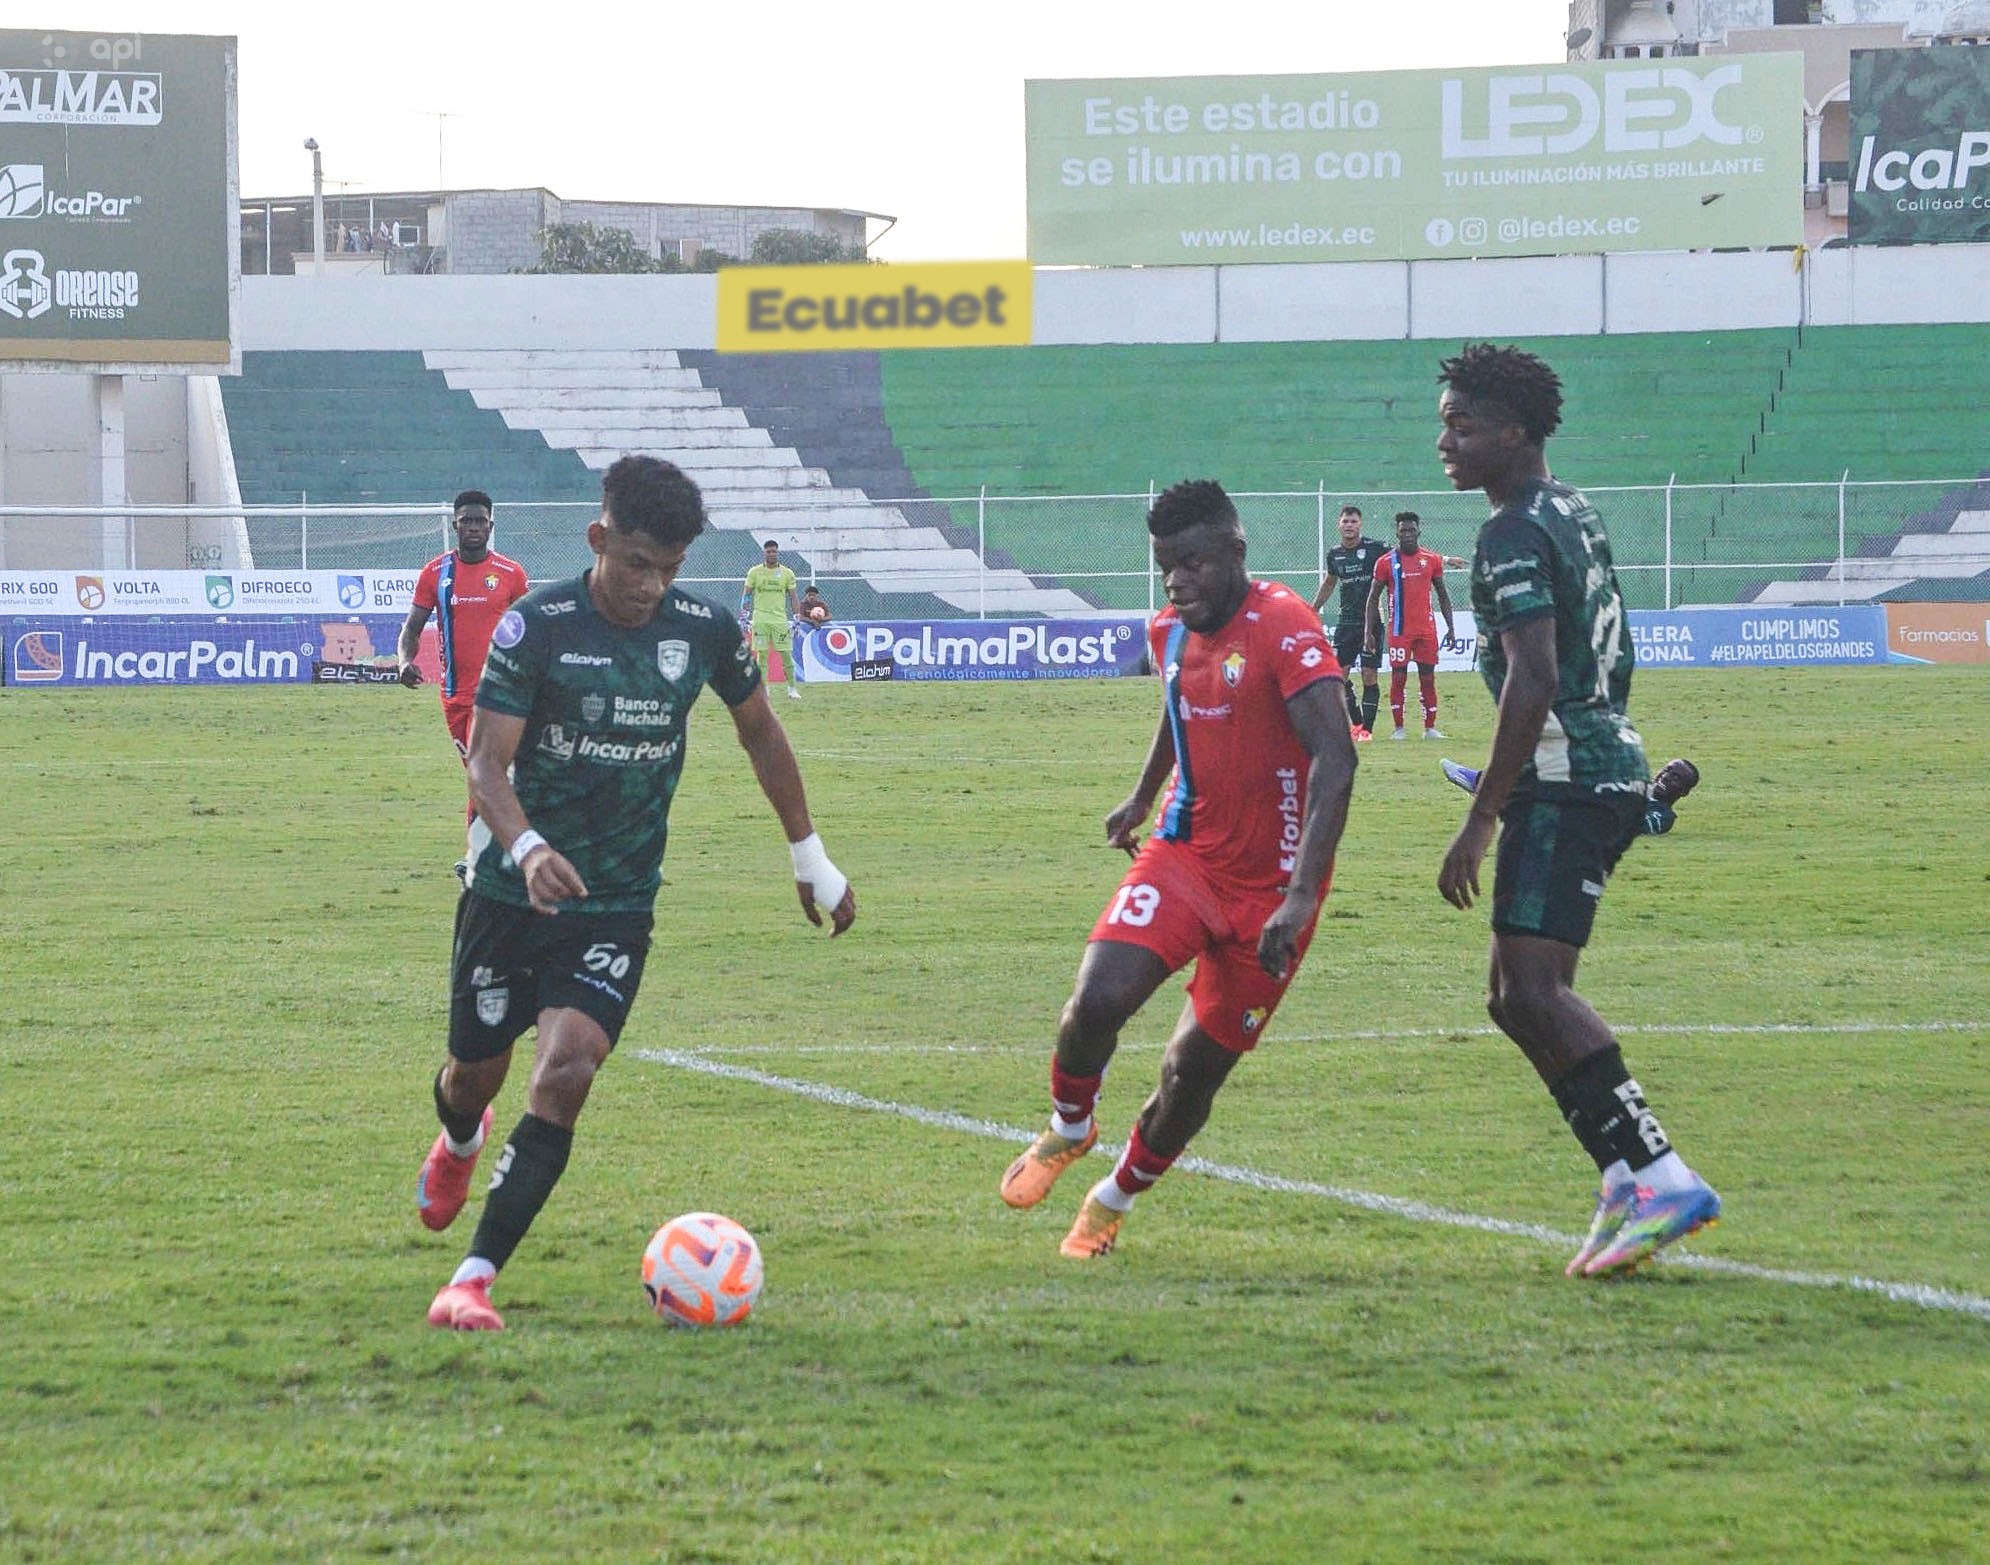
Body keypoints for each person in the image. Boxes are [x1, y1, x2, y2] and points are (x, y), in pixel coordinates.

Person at [417, 456, 858, 1331]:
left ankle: (473, 1278)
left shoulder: (701, 630)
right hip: (511, 890)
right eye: (636, 564)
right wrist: (528, 844)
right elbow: (486, 764)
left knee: (569, 1066)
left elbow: (760, 730)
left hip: (616, 899)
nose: (651, 585)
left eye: (670, 568)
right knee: (474, 1073)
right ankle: (461, 1137)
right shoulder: (535, 625)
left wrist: (808, 851)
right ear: (599, 540)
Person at [998, 480, 1358, 1258]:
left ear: (1235, 549)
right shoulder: (1169, 629)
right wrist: (1138, 796)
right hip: (1185, 855)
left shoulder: (1286, 627)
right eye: (1166, 566)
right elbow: (1178, 705)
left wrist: (1299, 897)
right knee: (1094, 1001)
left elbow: (1338, 755)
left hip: (1273, 893)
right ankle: (1070, 1127)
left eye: (1191, 562)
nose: (1176, 581)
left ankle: (1114, 1195)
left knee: (1190, 1072)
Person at [1432, 342, 1720, 1280]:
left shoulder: (1512, 529)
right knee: (1514, 995)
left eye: (1463, 425)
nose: (1446, 440)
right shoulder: (1574, 509)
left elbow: (1537, 673)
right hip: (1591, 764)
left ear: (1514, 433)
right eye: (1445, 421)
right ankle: (1626, 1177)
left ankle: (1657, 1171)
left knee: (1537, 991)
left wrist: (1483, 812)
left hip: (1562, 777)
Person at [399, 491, 533, 813]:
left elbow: (531, 628)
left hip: (500, 694)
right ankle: (496, 851)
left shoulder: (511, 573)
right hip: (455, 697)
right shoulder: (435, 573)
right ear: (455, 525)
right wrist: (405, 661)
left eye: (480, 522)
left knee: (485, 774)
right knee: (483, 776)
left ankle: (480, 857)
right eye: (466, 521)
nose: (473, 527)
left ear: (490, 526)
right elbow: (412, 628)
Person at [1364, 510, 1457, 740]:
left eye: (1411, 530)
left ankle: (1430, 728)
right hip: (1399, 631)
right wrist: (1368, 631)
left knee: (1428, 677)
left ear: (1419, 532)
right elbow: (1373, 598)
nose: (1407, 534)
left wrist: (1451, 626)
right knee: (1398, 677)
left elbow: (1443, 595)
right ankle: (1399, 729)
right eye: (1403, 530)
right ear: (1396, 532)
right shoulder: (1385, 563)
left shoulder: (1431, 560)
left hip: (1426, 630)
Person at [1443, 756, 1700, 838]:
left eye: (1676, 778)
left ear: (1685, 792)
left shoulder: (1664, 816)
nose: (1667, 777)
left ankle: (1481, 787)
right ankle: (1481, 783)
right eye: (1667, 771)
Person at [1310, 504, 1388, 741]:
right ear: (1339, 524)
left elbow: (1406, 555)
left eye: (1353, 521)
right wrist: (1312, 609)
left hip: (1372, 623)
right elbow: (1330, 582)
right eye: (1345, 521)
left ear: (1360, 524)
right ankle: (1356, 723)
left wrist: (1442, 559)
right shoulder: (1334, 554)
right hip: (1346, 624)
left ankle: (1368, 730)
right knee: (1338, 677)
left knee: (1369, 675)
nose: (1349, 526)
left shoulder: (1376, 548)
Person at [741, 539, 803, 700]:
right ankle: (765, 689)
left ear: (777, 552)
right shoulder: (755, 572)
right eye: (769, 551)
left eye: (774, 551)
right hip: (760, 620)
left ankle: (792, 689)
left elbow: (793, 596)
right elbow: (747, 593)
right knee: (762, 656)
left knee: (786, 655)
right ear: (764, 552)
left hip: (779, 621)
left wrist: (797, 617)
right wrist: (744, 614)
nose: (771, 554)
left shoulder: (787, 573)